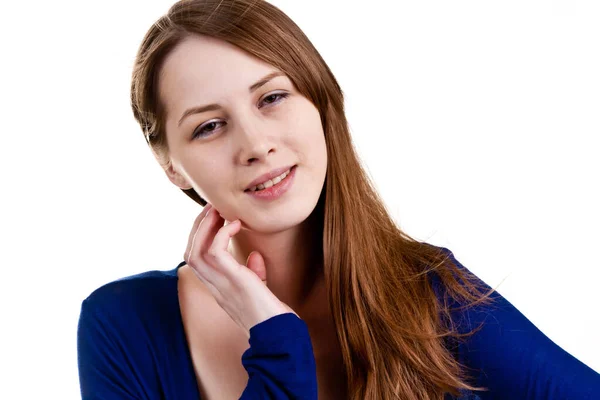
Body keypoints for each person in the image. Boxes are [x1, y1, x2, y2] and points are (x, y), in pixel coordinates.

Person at [76, 0, 600, 399]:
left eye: (272, 98)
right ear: (169, 164)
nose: (257, 145)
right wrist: (276, 339)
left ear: (322, 100)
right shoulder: (125, 326)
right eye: (210, 126)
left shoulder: (430, 293)